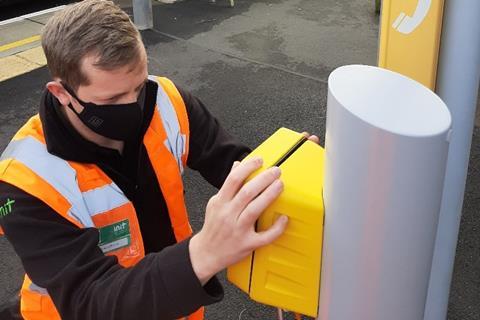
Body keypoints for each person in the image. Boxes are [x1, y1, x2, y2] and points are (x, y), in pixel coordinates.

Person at [0, 1, 318, 319]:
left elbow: (233, 163)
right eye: (111, 100)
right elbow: (89, 299)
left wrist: (289, 172)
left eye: (139, 87)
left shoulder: (166, 100)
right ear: (61, 93)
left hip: (176, 301)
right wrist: (204, 252)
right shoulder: (24, 182)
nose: (135, 108)